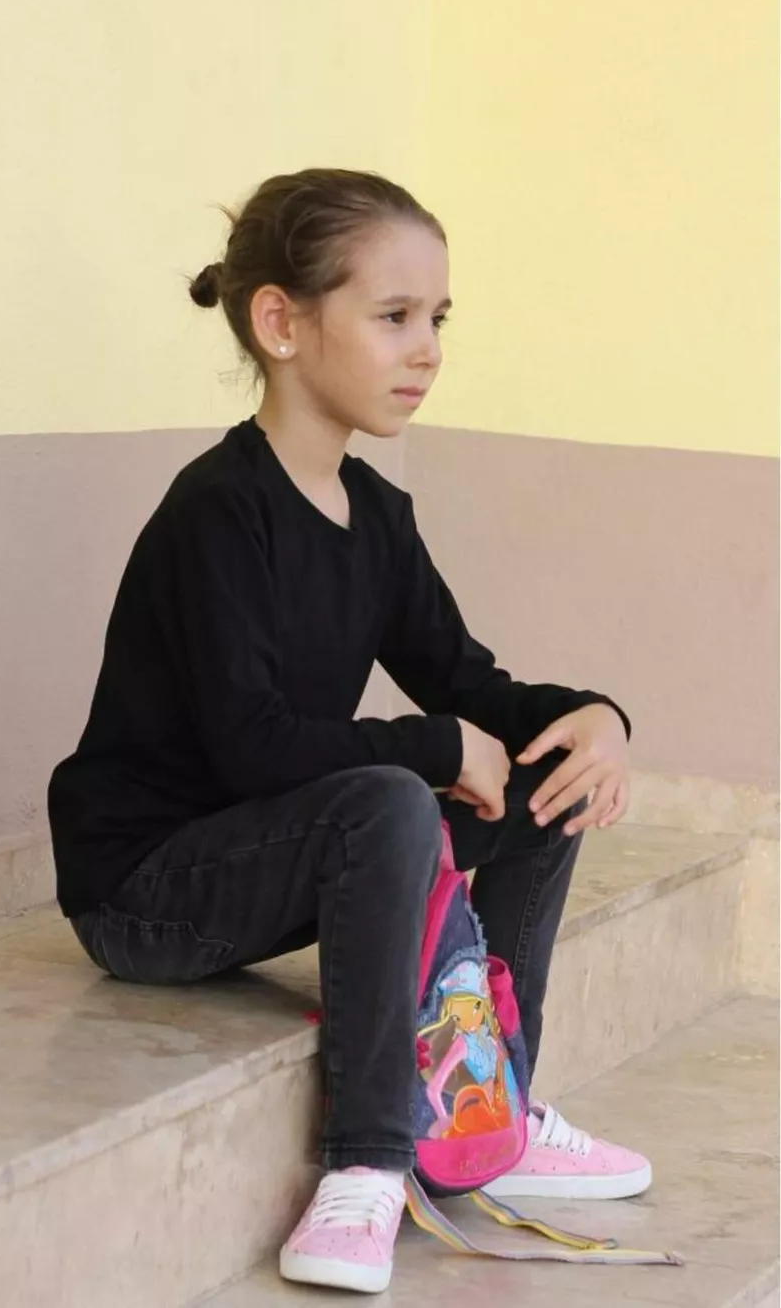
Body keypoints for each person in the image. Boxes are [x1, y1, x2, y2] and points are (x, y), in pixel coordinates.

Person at [48, 168, 651, 1297]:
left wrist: (593, 719)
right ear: (281, 323)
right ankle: (369, 1160)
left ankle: (490, 1100)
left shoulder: (377, 515)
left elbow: (467, 681)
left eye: (438, 320)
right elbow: (255, 748)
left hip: (276, 848)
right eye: (393, 317)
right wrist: (436, 749)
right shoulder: (218, 511)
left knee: (544, 780)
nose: (426, 350)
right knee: (388, 795)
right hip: (148, 889)